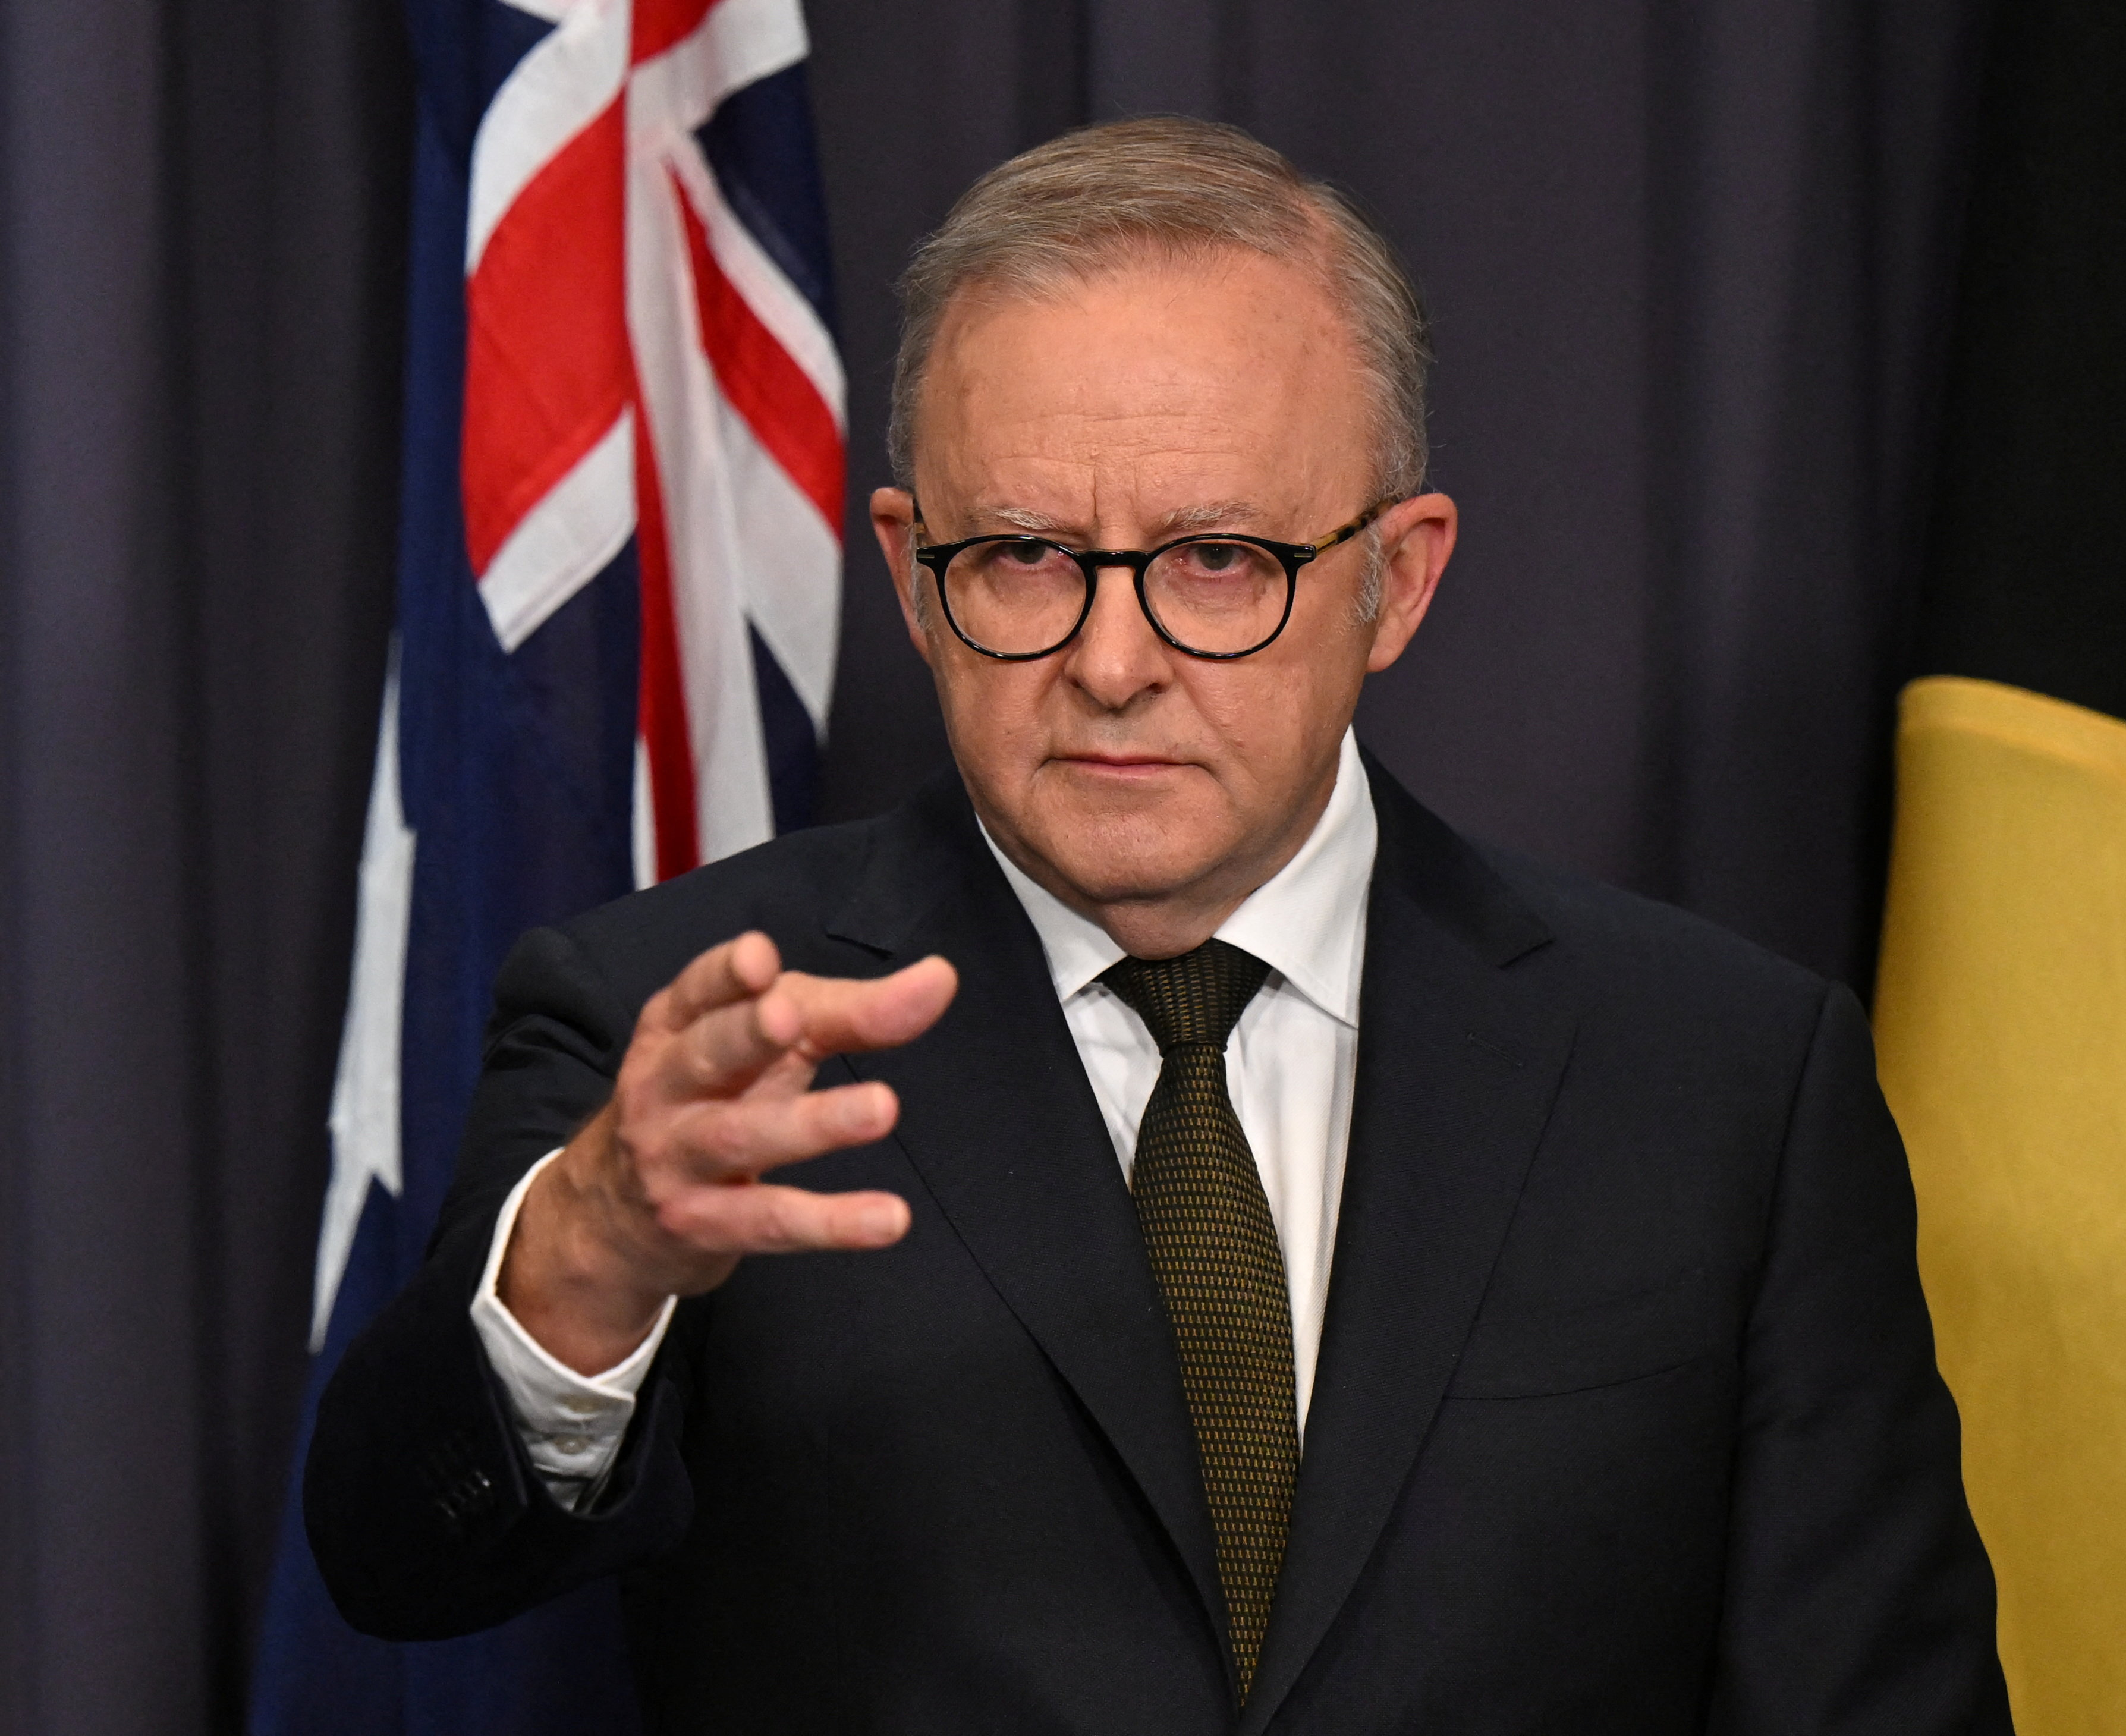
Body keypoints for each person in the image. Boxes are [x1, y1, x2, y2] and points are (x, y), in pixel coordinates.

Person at [307, 117, 2009, 1734]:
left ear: (1393, 581)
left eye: (1213, 560)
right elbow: (396, 1561)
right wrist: (588, 1258)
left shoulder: (1716, 1080)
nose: (1111, 665)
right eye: (1029, 556)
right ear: (913, 574)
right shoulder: (678, 1036)